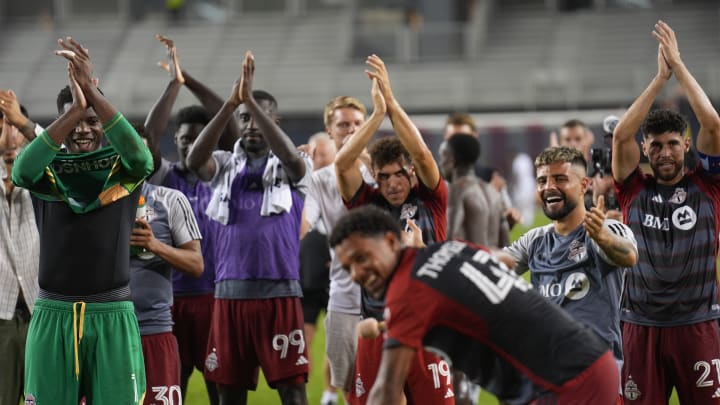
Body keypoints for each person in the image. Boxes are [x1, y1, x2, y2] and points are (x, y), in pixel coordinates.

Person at [329, 205, 620, 405]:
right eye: (347, 267)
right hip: (580, 366)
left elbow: (388, 392)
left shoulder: (407, 291)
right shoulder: (449, 248)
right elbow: (503, 261)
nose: (356, 273)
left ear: (392, 242)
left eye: (362, 258)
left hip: (567, 382)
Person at [12, 38, 153, 404]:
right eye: (74, 120)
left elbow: (142, 157)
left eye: (92, 120)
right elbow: (21, 172)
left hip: (112, 316)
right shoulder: (47, 170)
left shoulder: (122, 168)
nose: (83, 129)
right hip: (53, 315)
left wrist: (89, 91)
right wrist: (77, 108)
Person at [186, 51, 312, 405]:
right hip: (228, 295)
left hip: (280, 294)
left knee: (293, 392)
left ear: (276, 120)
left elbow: (290, 160)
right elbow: (195, 161)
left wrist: (251, 104)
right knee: (229, 395)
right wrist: (230, 105)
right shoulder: (225, 164)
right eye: (246, 119)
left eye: (261, 118)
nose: (252, 125)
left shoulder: (296, 161)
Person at [611, 21, 720, 404]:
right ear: (645, 150)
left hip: (698, 326)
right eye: (655, 145)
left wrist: (678, 64)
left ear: (687, 145)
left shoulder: (707, 185)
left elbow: (713, 123)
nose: (665, 152)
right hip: (641, 327)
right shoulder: (632, 189)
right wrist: (659, 80)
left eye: (674, 144)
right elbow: (622, 135)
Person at [336, 55, 452, 404]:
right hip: (378, 325)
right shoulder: (366, 204)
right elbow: (342, 163)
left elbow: (421, 151)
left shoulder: (432, 197)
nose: (391, 183)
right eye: (383, 176)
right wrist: (375, 117)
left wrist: (392, 102)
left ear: (412, 173)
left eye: (399, 174)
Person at [144, 35, 238, 405]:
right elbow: (149, 137)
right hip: (172, 298)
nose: (188, 144)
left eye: (197, 138)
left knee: (220, 387)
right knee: (173, 384)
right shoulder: (165, 177)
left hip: (217, 295)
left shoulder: (224, 174)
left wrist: (192, 80)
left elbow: (226, 121)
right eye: (183, 138)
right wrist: (175, 84)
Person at [504, 146, 638, 401]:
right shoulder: (535, 240)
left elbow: (629, 256)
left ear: (584, 185)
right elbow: (496, 264)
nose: (549, 187)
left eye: (560, 179)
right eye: (542, 180)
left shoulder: (605, 229)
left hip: (595, 380)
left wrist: (603, 238)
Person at [301, 97, 374, 405]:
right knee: (350, 385)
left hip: (386, 295)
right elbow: (303, 224)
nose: (351, 129)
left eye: (358, 123)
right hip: (343, 294)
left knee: (393, 378)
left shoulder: (384, 174)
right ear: (330, 131)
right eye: (343, 124)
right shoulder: (318, 181)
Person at [130, 126, 204, 405]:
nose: (134, 158)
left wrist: (155, 245)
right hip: (106, 332)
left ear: (151, 157)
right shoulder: (96, 205)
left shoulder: (171, 200)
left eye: (141, 150)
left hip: (153, 330)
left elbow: (197, 264)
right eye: (125, 150)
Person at [0, 101, 40, 405]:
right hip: (1, 314)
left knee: (44, 398)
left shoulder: (43, 181)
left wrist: (26, 127)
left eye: (14, 126)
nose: (9, 137)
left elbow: (60, 157)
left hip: (42, 313)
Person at [299, 132, 338, 405]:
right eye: (314, 153)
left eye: (323, 153)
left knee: (337, 341)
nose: (318, 158)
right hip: (309, 273)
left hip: (339, 275)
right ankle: (300, 390)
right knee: (302, 339)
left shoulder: (344, 181)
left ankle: (329, 394)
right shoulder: (304, 184)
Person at [439, 133, 509, 249]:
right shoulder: (493, 191)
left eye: (443, 158)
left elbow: (450, 239)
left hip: (469, 263)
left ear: (452, 160)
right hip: (494, 263)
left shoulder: (456, 190)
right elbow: (504, 233)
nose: (441, 164)